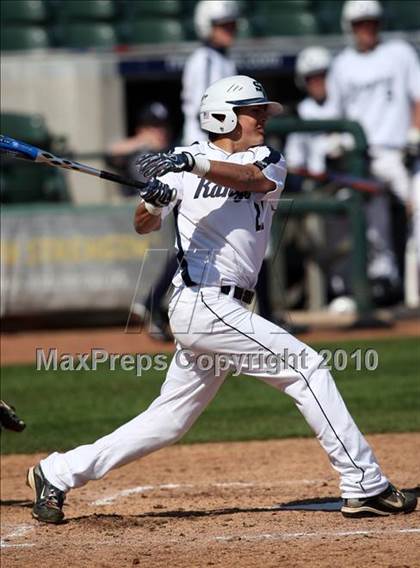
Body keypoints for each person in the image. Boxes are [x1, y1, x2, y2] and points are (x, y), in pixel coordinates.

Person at [26, 75, 416, 524]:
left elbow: (250, 178)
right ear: (224, 117)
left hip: (226, 306)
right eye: (255, 111)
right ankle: (364, 483)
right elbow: (142, 225)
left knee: (168, 422)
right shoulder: (182, 164)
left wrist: (190, 163)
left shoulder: (265, 159)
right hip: (201, 303)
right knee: (306, 367)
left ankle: (56, 472)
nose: (264, 117)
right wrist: (154, 202)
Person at [327, 0, 420, 302]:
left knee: (416, 210)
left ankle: (413, 287)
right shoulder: (342, 64)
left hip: (401, 152)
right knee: (371, 220)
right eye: (360, 24)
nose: (367, 29)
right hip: (361, 157)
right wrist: (337, 140)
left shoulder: (400, 53)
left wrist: (415, 132)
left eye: (372, 22)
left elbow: (417, 97)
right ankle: (384, 280)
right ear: (350, 27)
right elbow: (335, 113)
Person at [181, 0, 239, 145]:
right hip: (202, 144)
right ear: (207, 26)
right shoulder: (203, 59)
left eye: (232, 25)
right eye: (223, 26)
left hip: (219, 143)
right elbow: (201, 111)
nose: (230, 30)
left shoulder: (224, 59)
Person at [106, 101, 172, 197]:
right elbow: (111, 152)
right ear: (141, 129)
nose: (161, 131)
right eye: (155, 126)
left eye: (164, 125)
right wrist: (141, 141)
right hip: (136, 205)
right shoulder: (136, 152)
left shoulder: (176, 151)